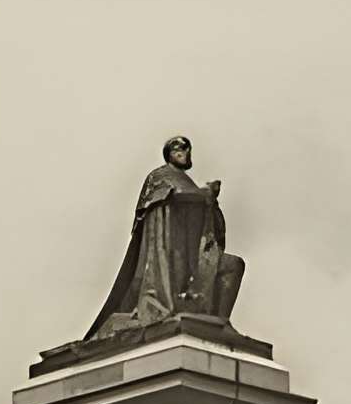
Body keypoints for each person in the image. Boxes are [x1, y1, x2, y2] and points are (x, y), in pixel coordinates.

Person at [87, 135, 245, 338]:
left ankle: (219, 324)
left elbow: (206, 218)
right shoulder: (160, 176)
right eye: (178, 149)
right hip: (171, 254)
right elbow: (167, 199)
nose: (184, 153)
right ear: (168, 154)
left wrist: (210, 200)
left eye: (187, 149)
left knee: (234, 265)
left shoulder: (187, 182)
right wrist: (204, 194)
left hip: (197, 251)